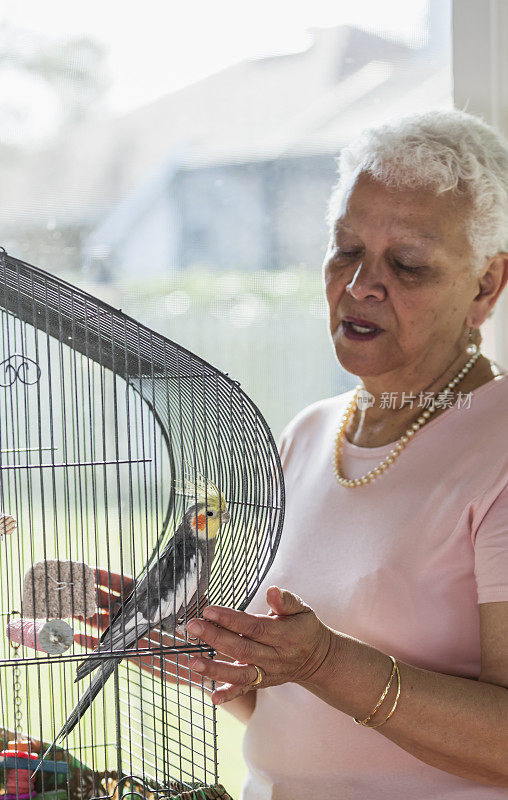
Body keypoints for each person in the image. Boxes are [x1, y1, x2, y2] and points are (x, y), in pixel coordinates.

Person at [179, 110, 508, 799]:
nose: (360, 286)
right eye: (345, 248)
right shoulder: (307, 434)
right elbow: (287, 714)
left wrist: (327, 660)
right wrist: (211, 645)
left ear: (486, 286)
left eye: (408, 264)